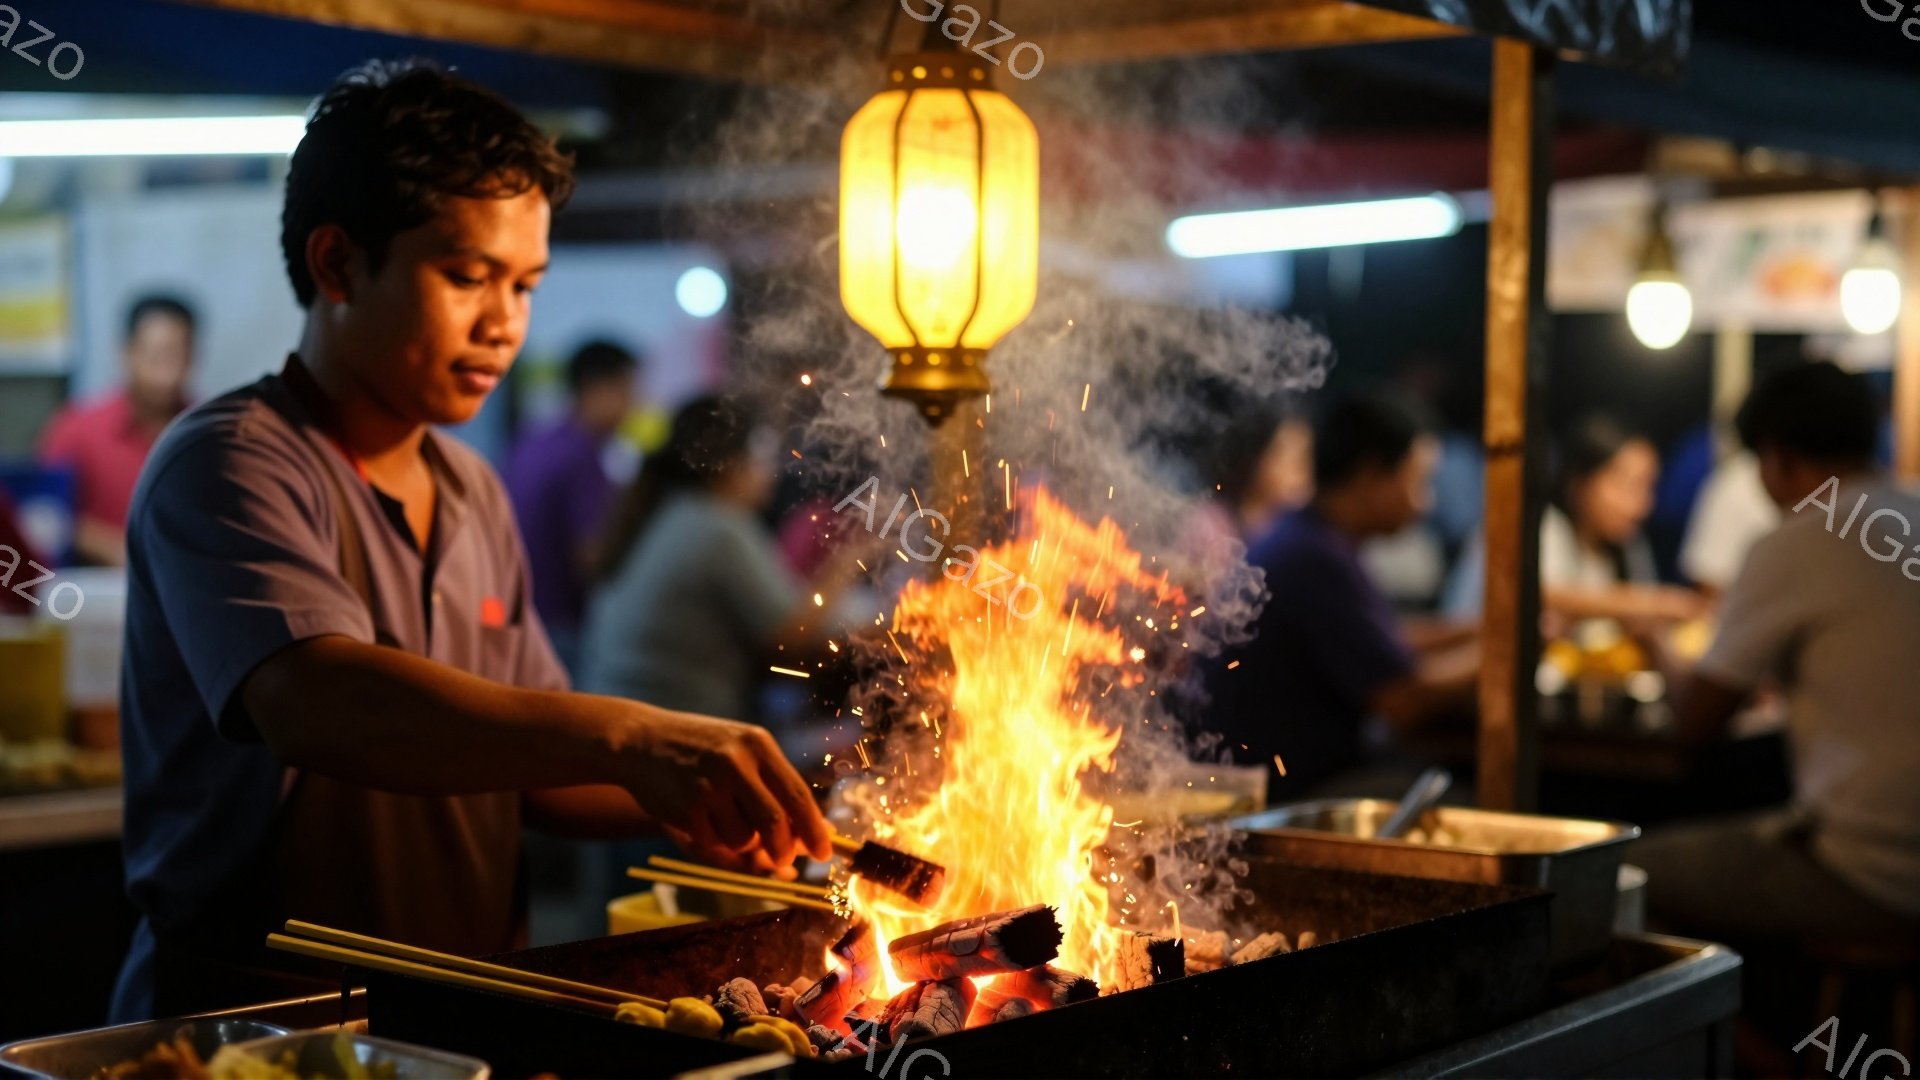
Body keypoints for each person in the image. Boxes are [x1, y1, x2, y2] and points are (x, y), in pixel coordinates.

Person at [111, 61, 828, 1022]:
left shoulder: (472, 492)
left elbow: (535, 766)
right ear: (337, 264)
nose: (505, 325)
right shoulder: (231, 463)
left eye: (525, 285)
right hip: (261, 1027)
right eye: (466, 277)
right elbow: (313, 698)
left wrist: (728, 798)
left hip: (467, 1011)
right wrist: (636, 733)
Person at [1637, 362, 1920, 940]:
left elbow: (1695, 722)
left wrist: (1658, 645)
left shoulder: (1800, 538)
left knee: (1626, 878)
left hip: (1873, 873)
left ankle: (1781, 1031)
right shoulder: (1910, 512)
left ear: (1777, 458)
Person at [1204, 394, 1477, 797]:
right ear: (1370, 478)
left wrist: (1483, 629)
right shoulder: (1312, 556)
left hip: (1292, 774)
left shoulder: (1310, 536)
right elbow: (1402, 699)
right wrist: (1506, 656)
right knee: (1459, 800)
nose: (1425, 503)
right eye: (1416, 480)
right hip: (1276, 794)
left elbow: (1385, 640)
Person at [581, 396, 868, 723]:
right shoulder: (718, 527)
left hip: (623, 715)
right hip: (673, 727)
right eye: (762, 457)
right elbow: (792, 637)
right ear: (732, 463)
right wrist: (852, 559)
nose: (770, 473)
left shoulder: (667, 510)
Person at [1444, 415, 1703, 630]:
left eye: (1648, 487)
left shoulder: (1628, 545)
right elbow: (1542, 593)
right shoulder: (1539, 523)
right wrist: (1658, 602)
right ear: (1579, 482)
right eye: (1627, 485)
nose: (1642, 504)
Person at [504, 340, 640, 671]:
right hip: (558, 627)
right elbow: (590, 559)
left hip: (514, 616)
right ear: (596, 388)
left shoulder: (532, 442)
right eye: (627, 390)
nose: (634, 404)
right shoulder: (581, 457)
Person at [37, 295, 196, 566]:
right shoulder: (77, 429)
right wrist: (117, 551)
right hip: (94, 590)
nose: (166, 375)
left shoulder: (210, 432)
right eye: (156, 356)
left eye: (177, 356)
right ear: (127, 352)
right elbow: (45, 516)